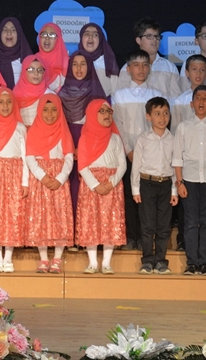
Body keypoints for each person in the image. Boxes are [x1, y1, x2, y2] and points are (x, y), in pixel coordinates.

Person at [113, 50, 165, 250]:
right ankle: (130, 236)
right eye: (136, 65)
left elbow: (160, 124)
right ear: (128, 69)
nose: (141, 69)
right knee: (128, 195)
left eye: (145, 65)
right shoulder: (119, 95)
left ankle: (146, 239)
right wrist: (129, 150)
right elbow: (118, 125)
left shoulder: (156, 95)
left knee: (147, 198)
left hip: (151, 155)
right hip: (128, 153)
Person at [173, 85, 206, 276]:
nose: (201, 101)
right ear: (191, 103)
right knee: (190, 222)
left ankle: (204, 262)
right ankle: (191, 262)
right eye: (198, 98)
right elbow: (177, 158)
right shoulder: (183, 127)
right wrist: (180, 183)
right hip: (189, 180)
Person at [24, 95, 74, 274]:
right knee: (41, 218)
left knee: (60, 217)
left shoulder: (63, 130)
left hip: (59, 181)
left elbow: (69, 157)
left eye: (54, 110)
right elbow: (29, 158)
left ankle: (57, 258)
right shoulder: (33, 132)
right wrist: (42, 176)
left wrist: (60, 178)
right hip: (41, 181)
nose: (50, 114)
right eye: (45, 110)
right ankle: (44, 258)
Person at [77, 99, 127, 274]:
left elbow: (122, 164)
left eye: (109, 112)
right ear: (92, 114)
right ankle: (92, 262)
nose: (107, 115)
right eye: (102, 111)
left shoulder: (115, 138)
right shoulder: (85, 137)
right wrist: (96, 185)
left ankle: (106, 262)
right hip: (92, 186)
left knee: (110, 221)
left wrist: (111, 182)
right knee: (91, 221)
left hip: (111, 185)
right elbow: (82, 165)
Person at [59, 51, 107, 225]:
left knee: (86, 184)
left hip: (90, 141)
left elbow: (101, 125)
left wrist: (84, 146)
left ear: (90, 67)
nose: (79, 68)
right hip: (67, 140)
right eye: (75, 64)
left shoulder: (97, 93)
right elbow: (60, 123)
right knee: (69, 185)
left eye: (83, 64)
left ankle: (87, 230)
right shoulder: (61, 93)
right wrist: (69, 146)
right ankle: (69, 230)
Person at [131, 97, 178, 275]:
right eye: (157, 114)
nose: (162, 117)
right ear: (148, 116)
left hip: (165, 184)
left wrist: (174, 190)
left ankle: (160, 261)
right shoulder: (143, 139)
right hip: (147, 184)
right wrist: (135, 189)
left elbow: (175, 166)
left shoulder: (173, 139)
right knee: (147, 225)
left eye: (165, 113)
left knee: (163, 226)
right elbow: (136, 166)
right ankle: (147, 261)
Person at [0, 88, 29, 273]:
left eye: (9, 102)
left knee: (13, 213)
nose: (5, 106)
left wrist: (25, 181)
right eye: (1, 102)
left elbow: (25, 156)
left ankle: (8, 258)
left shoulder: (20, 128)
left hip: (14, 174)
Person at [117, 18, 182, 98]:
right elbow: (122, 96)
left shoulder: (170, 67)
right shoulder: (128, 68)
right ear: (138, 40)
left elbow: (176, 98)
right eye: (149, 36)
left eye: (157, 36)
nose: (154, 40)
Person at [172, 54, 206, 126]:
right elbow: (175, 128)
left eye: (202, 70)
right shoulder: (180, 101)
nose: (198, 73)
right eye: (194, 69)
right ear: (187, 73)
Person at [78, 23, 120, 96]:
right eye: (86, 34)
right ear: (81, 38)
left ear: (100, 39)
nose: (90, 37)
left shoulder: (108, 61)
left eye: (95, 35)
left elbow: (115, 92)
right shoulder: (74, 61)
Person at [0, 17, 33, 88]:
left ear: (19, 34)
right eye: (5, 30)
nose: (9, 33)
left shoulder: (28, 58)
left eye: (13, 30)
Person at [13, 55, 54, 126]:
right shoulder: (14, 94)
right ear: (23, 71)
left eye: (40, 70)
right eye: (31, 70)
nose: (36, 73)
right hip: (20, 131)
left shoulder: (50, 95)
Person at [35, 23, 70, 93]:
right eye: (44, 34)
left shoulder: (68, 63)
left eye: (52, 35)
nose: (47, 38)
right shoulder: (33, 61)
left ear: (58, 39)